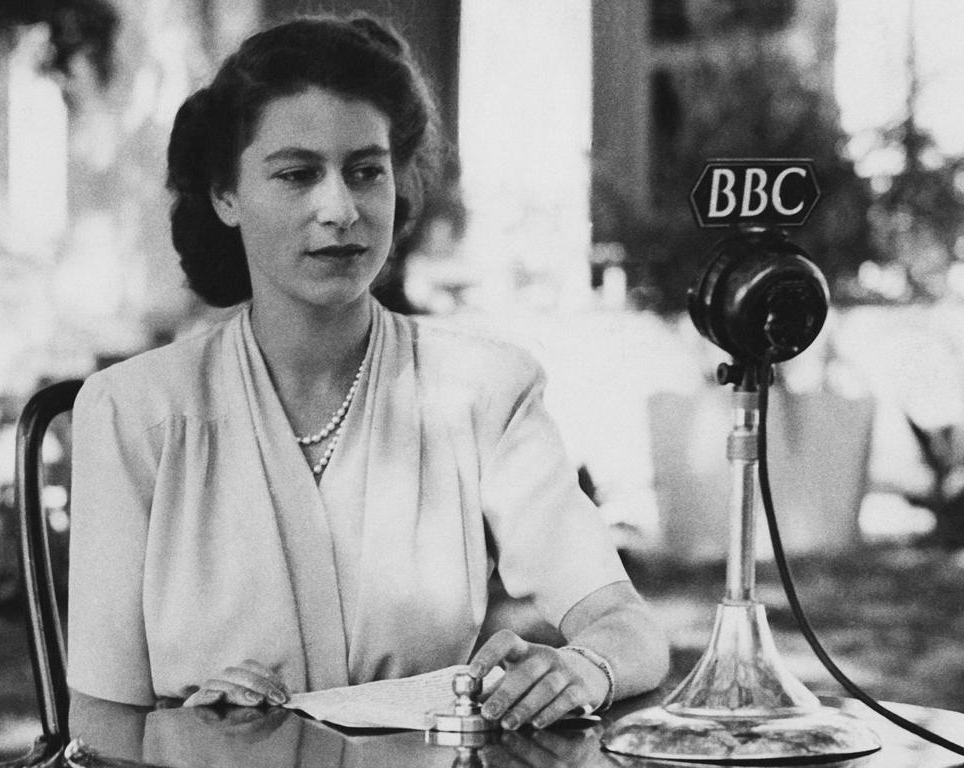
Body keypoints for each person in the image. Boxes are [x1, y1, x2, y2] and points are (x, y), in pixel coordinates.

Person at [67, 13, 668, 732]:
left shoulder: (481, 392)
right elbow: (101, 726)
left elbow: (625, 624)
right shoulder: (134, 412)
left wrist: (585, 667)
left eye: (365, 171)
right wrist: (192, 738)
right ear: (226, 194)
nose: (340, 208)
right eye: (297, 175)